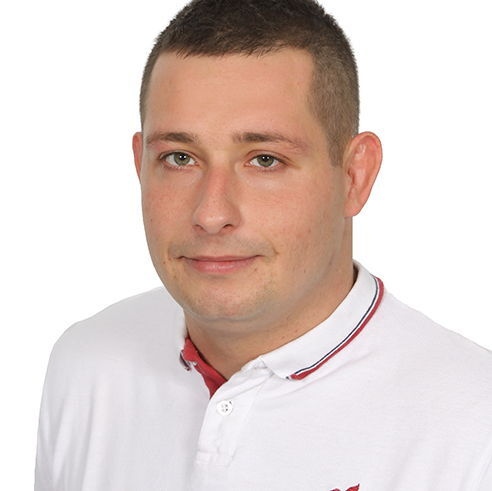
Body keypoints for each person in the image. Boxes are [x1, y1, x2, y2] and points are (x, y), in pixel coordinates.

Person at [35, 0, 492, 489]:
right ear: (139, 165)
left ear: (354, 176)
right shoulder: (87, 364)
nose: (212, 214)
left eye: (265, 160)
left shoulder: (474, 427)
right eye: (179, 157)